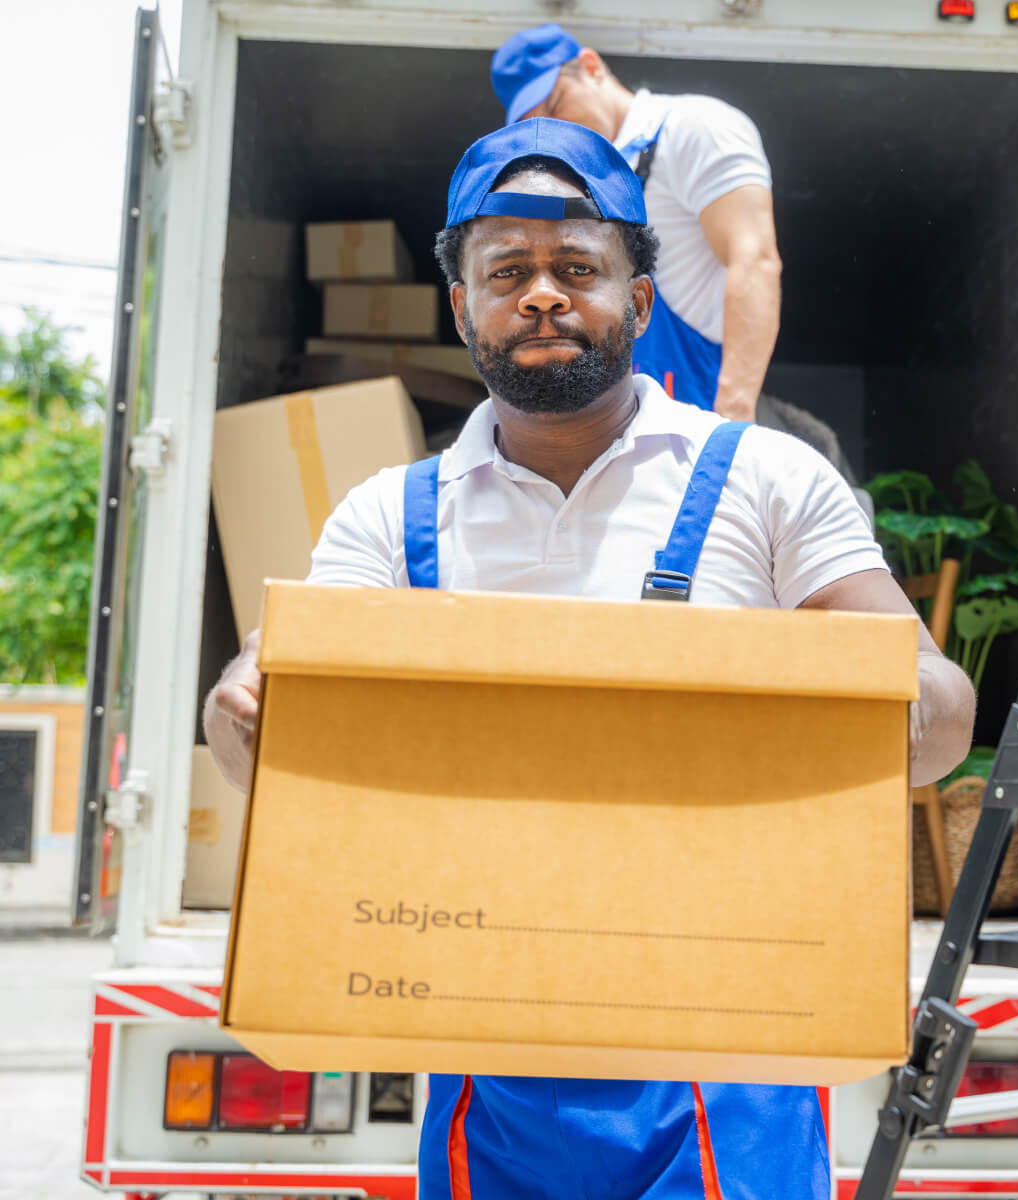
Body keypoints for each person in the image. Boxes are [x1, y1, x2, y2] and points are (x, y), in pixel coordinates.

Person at [204, 118, 975, 1200]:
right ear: (462, 307)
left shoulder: (767, 481)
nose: (543, 296)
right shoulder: (390, 517)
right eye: (506, 271)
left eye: (578, 268)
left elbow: (941, 711)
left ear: (641, 301)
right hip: (486, 1057)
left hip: (732, 1057)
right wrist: (239, 709)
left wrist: (884, 710)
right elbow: (274, 734)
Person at [490, 23, 781, 421]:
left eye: (556, 106)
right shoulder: (573, 183)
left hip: (700, 401)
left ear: (591, 66)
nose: (558, 129)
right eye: (539, 124)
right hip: (623, 419)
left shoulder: (693, 129)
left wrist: (734, 408)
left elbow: (754, 260)